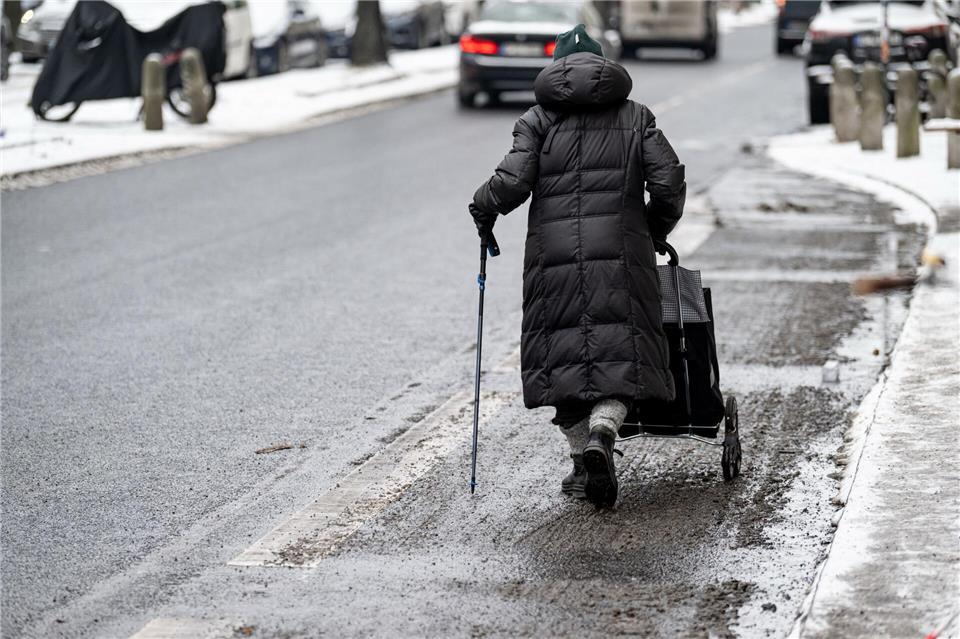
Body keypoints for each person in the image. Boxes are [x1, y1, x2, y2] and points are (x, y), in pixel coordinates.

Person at [468, 24, 686, 507]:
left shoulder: (537, 119)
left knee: (561, 360)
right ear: (603, 65)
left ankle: (580, 461)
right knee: (621, 356)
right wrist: (654, 230)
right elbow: (668, 180)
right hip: (623, 257)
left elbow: (511, 182)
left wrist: (483, 207)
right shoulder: (635, 116)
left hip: (554, 261)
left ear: (556, 67)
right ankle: (603, 434)